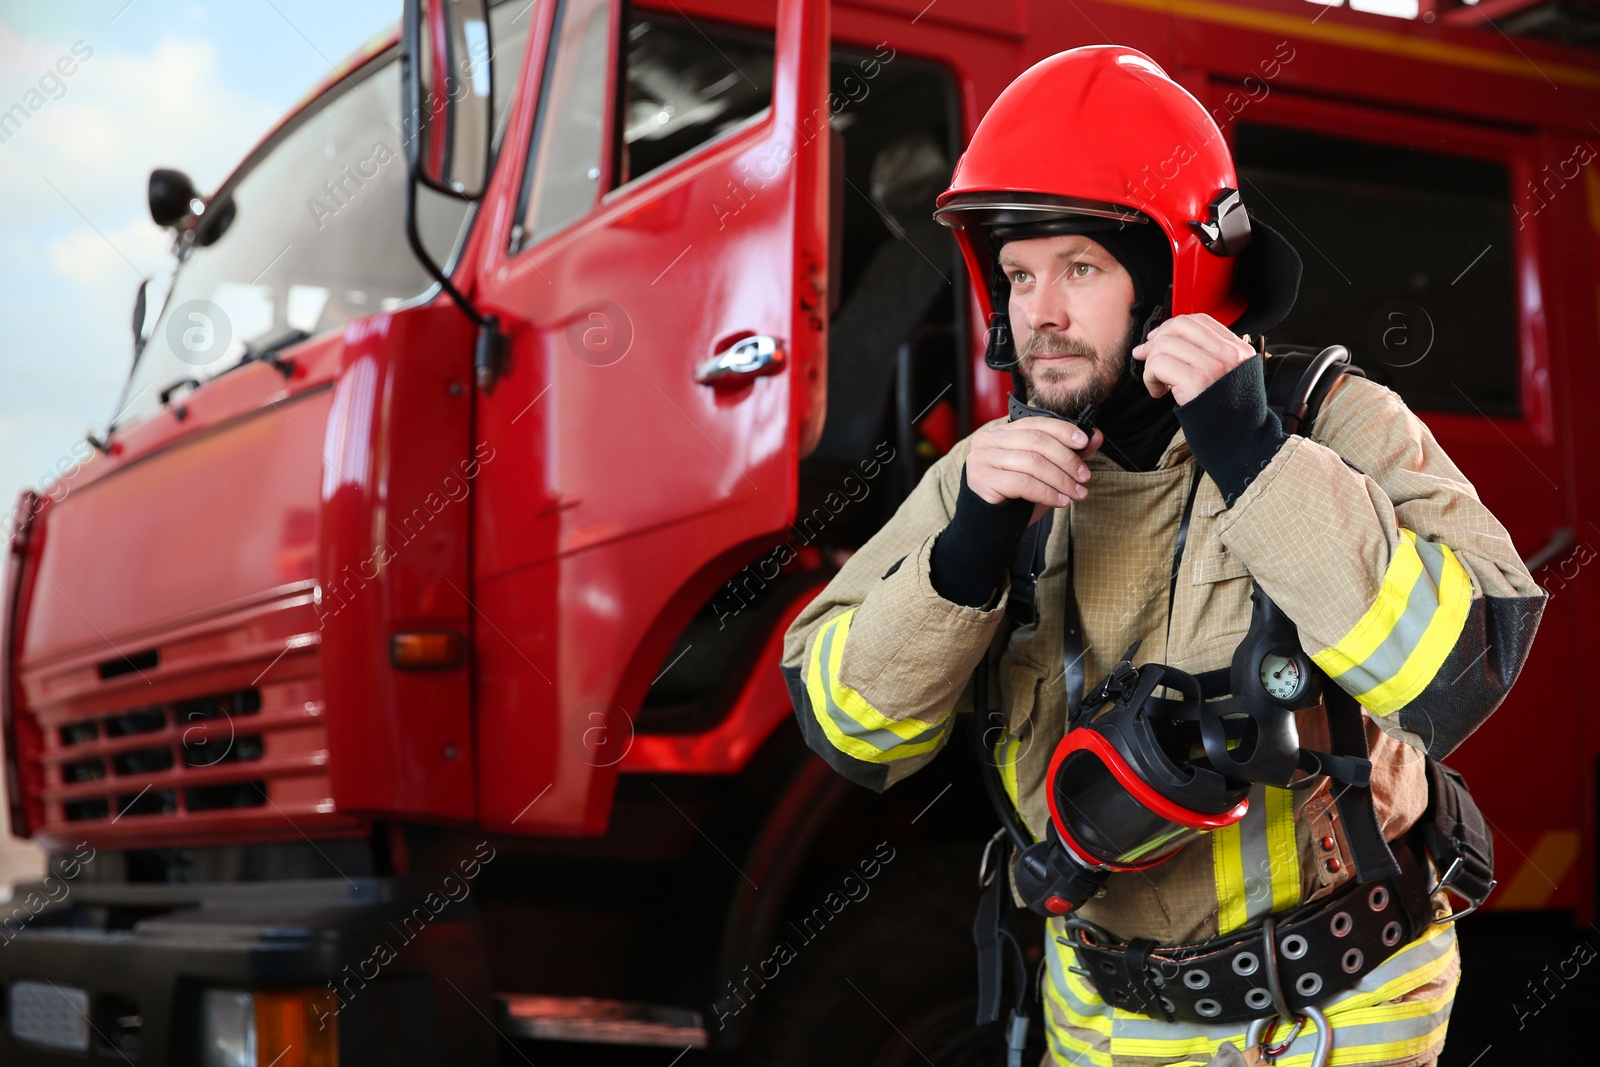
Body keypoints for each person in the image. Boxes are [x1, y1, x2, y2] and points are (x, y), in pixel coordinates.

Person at [780, 45, 1545, 1067]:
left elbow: (1456, 665)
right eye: (1016, 273)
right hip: (1097, 1012)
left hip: (1333, 1011)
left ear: (1174, 270)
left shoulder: (1330, 422)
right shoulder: (988, 474)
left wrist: (1258, 462)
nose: (1038, 310)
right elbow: (854, 735)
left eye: (1079, 267)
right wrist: (960, 559)